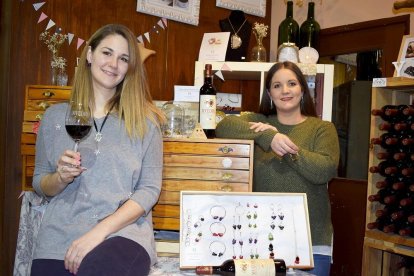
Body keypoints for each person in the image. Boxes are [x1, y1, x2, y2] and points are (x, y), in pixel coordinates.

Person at [31, 24, 164, 276]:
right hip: (59, 237)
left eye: (123, 58)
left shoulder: (146, 123)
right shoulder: (54, 117)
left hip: (123, 233)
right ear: (90, 55)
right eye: (107, 53)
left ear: (129, 68)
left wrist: (98, 232)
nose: (113, 64)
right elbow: (40, 182)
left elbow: (149, 190)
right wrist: (59, 179)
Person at [216, 61, 339, 276]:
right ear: (269, 93)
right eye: (277, 86)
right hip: (261, 239)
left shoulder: (322, 128)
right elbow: (223, 126)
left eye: (291, 83)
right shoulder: (259, 122)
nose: (285, 91)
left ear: (302, 88)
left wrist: (285, 147)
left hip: (312, 240)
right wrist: (268, 136)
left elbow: (323, 171)